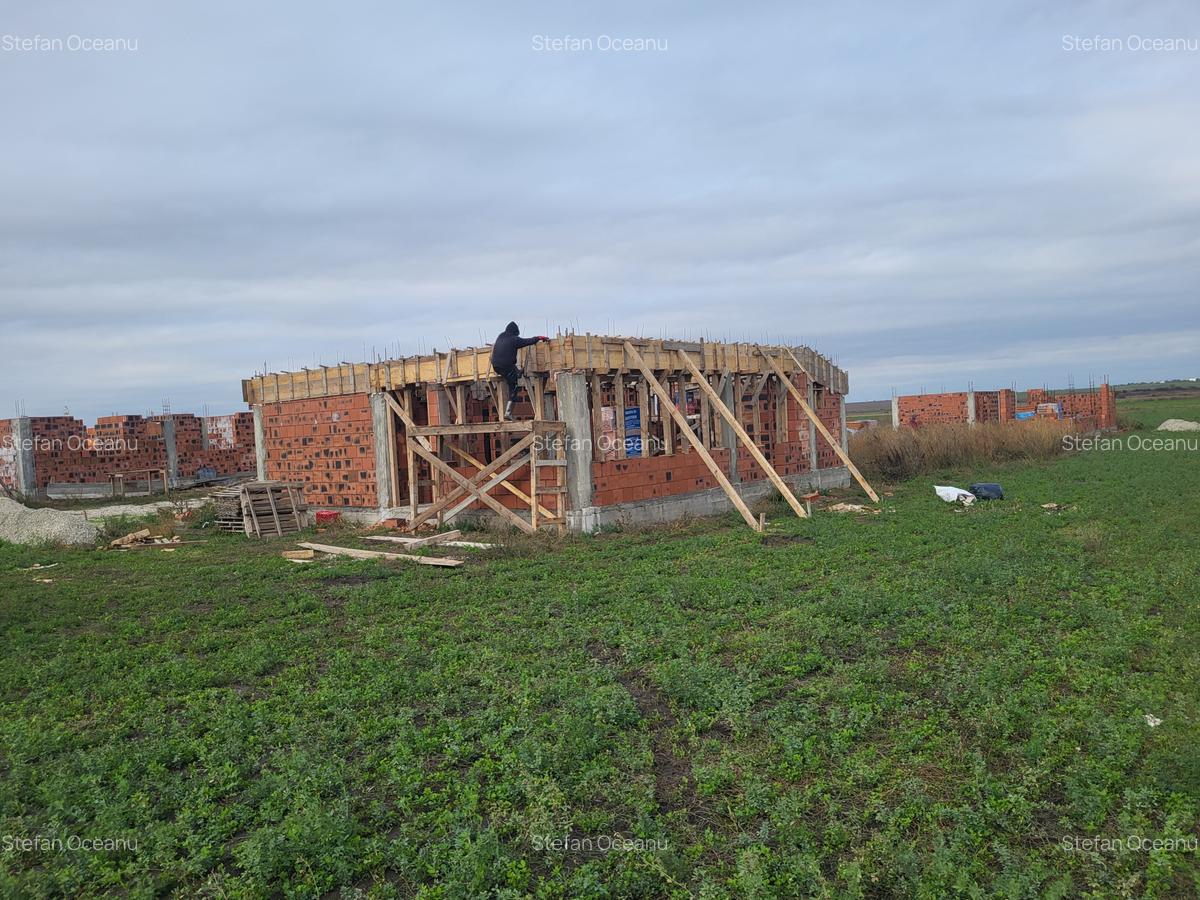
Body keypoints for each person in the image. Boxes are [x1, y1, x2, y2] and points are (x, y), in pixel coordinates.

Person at [491, 322, 549, 418]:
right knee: (513, 386)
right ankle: (508, 413)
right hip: (506, 367)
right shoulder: (514, 339)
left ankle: (518, 373)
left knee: (513, 370)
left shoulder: (501, 336)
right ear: (515, 332)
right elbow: (527, 341)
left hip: (496, 366)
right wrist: (538, 338)